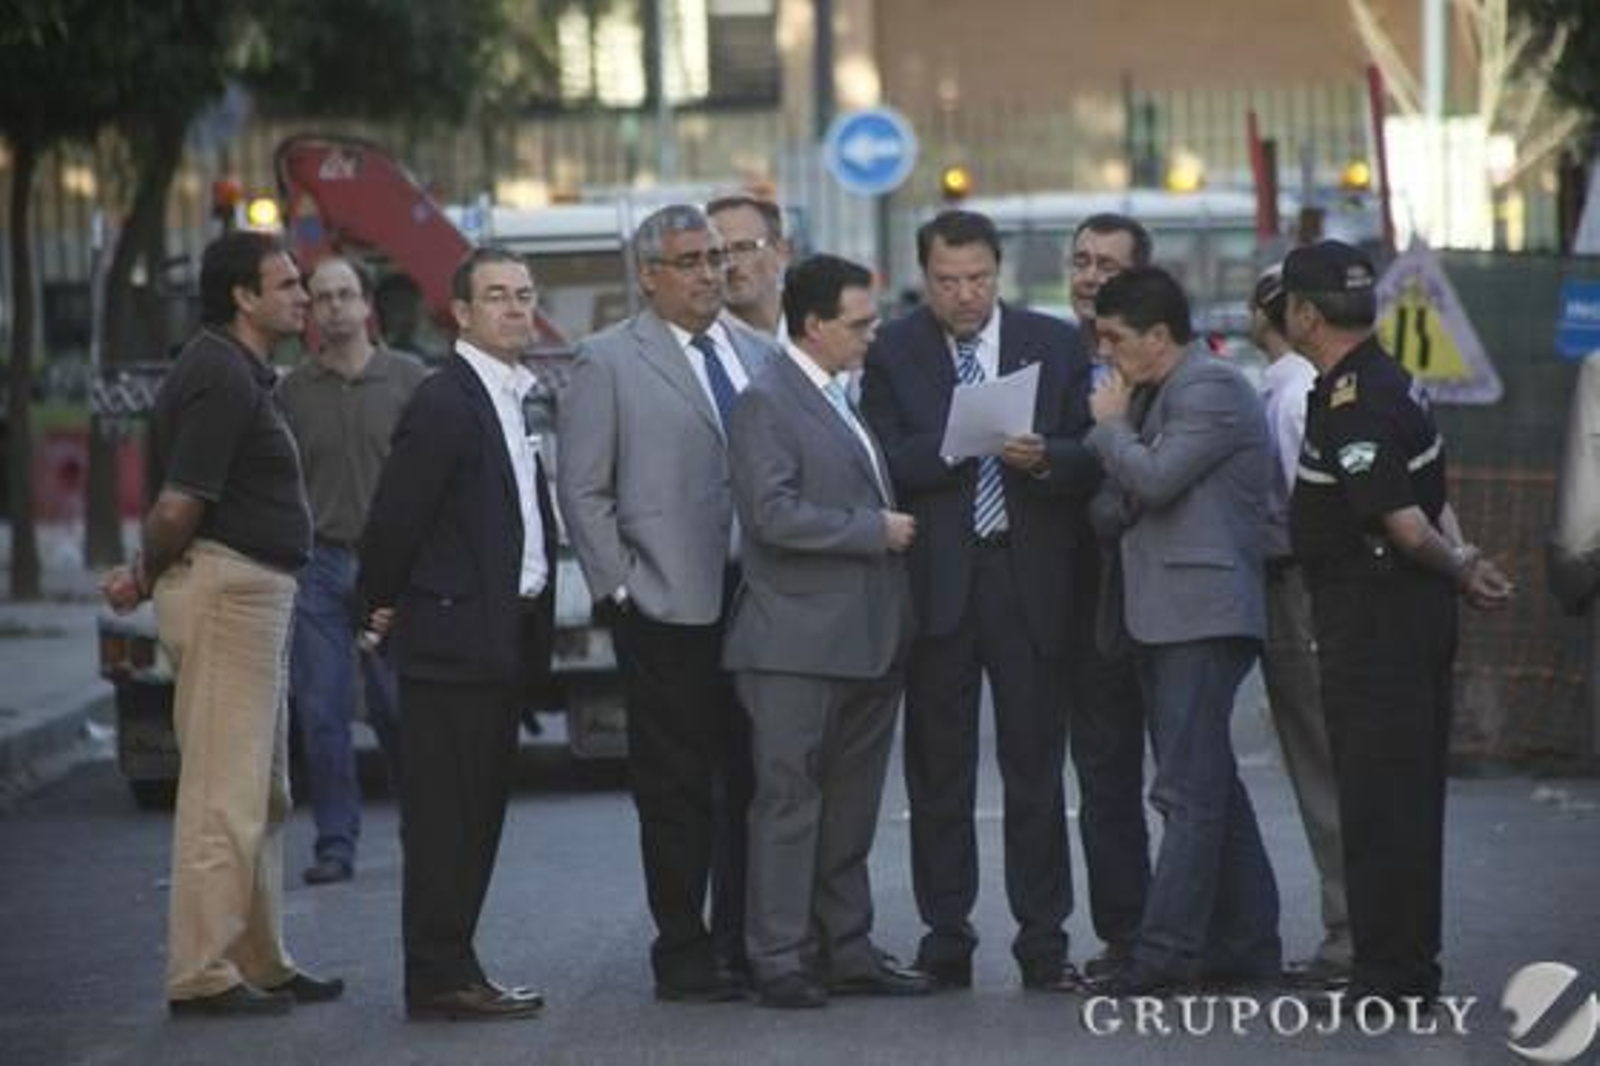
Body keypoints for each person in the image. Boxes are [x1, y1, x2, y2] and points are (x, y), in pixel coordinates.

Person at [100, 230, 343, 1017]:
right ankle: (202, 973)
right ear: (242, 296)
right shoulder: (219, 377)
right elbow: (179, 503)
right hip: (228, 595)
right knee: (222, 795)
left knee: (262, 793)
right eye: (286, 284)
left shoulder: (237, 370)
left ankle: (258, 959)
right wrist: (142, 574)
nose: (302, 296)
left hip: (255, 595)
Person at [859, 209, 1101, 992]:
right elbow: (884, 457)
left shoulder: (1054, 342)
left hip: (1027, 578)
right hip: (939, 583)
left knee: (1035, 769)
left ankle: (1043, 938)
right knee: (939, 772)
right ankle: (946, 934)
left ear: (1001, 274)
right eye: (946, 281)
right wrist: (956, 445)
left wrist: (1041, 460)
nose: (964, 296)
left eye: (978, 280)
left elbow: (1088, 453)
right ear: (922, 277)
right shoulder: (894, 349)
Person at [557, 204, 778, 1002]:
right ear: (649, 275)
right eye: (690, 260)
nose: (710, 272)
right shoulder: (608, 359)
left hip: (755, 599)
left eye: (716, 257)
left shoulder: (757, 352)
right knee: (678, 784)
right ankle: (683, 950)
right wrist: (621, 588)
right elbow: (582, 489)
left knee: (755, 777)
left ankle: (750, 940)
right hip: (665, 603)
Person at [1284, 240, 1513, 1011]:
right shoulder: (1394, 377)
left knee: (1380, 803)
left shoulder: (1355, 400)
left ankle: (1388, 976)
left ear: (1305, 314)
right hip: (1407, 612)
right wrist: (1463, 562)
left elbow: (1405, 522)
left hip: (1376, 621)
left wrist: (1458, 568)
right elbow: (1431, 501)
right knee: (1408, 799)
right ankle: (1408, 966)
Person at [723, 254, 932, 1009]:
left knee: (849, 809)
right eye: (859, 323)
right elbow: (770, 517)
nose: (872, 335)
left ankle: (846, 948)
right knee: (788, 803)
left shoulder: (841, 394)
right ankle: (778, 957)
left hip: (868, 640)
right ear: (814, 326)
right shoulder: (766, 401)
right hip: (793, 645)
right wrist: (867, 529)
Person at [357, 248, 556, 1022]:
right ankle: (440, 976)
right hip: (451, 646)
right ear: (462, 314)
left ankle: (453, 966)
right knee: (448, 822)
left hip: (498, 639)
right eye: (497, 296)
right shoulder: (447, 400)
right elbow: (397, 515)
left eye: (524, 295)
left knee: (477, 818)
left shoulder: (509, 397)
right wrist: (374, 599)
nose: (515, 308)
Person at [1084, 265, 1281, 996]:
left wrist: (1112, 433)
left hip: (1200, 613)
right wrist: (1128, 454)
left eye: (1116, 338)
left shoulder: (1210, 387)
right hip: (1165, 613)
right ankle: (1248, 944)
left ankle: (1164, 956)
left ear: (1159, 337)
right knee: (1210, 786)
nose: (1105, 353)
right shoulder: (1154, 394)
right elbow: (1112, 508)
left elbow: (1155, 482)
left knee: (1185, 794)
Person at [276, 256, 426, 887]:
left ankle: (424, 831)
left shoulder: (411, 380)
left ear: (368, 306)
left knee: (397, 706)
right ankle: (335, 845)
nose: (335, 307)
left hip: (390, 566)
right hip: (319, 566)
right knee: (321, 711)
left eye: (345, 295)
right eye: (322, 297)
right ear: (309, 310)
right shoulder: (290, 393)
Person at [1248, 264, 1350, 987]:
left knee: (1323, 767)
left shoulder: (1290, 394)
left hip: (1301, 594)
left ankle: (1350, 937)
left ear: (1269, 314)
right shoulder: (1316, 387)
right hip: (1325, 595)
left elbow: (1304, 509)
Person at [1061, 212, 1154, 978]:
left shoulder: (1168, 365)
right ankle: (1126, 934)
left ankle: (1207, 932)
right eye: (1082, 261)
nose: (1091, 277)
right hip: (1085, 608)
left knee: (1191, 780)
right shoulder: (1050, 352)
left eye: (1109, 266)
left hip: (1164, 600)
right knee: (1106, 781)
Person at [707, 194, 790, 337]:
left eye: (743, 248)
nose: (730, 264)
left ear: (780, 252)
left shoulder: (823, 326)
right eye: (718, 253)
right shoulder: (702, 348)